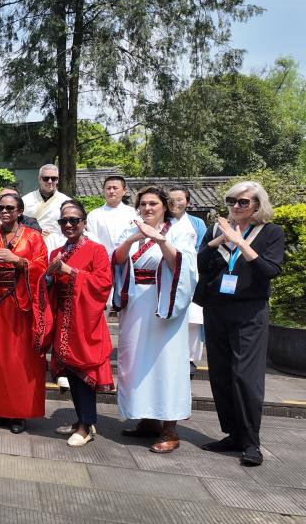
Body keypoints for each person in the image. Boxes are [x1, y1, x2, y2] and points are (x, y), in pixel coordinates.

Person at [198, 181, 284, 467]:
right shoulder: (216, 229)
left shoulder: (271, 232)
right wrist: (217, 242)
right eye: (231, 200)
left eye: (243, 202)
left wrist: (241, 243)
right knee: (220, 373)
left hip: (249, 311)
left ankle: (251, 441)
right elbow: (200, 264)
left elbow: (270, 270)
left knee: (245, 376)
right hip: (216, 308)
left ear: (257, 205)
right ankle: (233, 434)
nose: (235, 206)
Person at [112, 186, 198, 454]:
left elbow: (182, 266)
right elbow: (117, 260)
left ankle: (170, 428)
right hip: (136, 303)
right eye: (143, 204)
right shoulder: (132, 228)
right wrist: (132, 239)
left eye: (153, 204)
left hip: (165, 304)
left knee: (166, 364)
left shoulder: (180, 230)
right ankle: (147, 419)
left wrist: (160, 240)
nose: (147, 208)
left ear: (165, 206)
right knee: (136, 363)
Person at [34, 200, 115, 447]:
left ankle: (86, 425)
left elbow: (103, 284)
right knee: (70, 372)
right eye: (63, 221)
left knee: (84, 372)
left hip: (84, 321)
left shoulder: (96, 250)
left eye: (73, 220)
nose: (68, 225)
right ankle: (82, 420)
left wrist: (70, 271)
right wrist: (49, 275)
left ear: (84, 222)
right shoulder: (56, 253)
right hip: (63, 318)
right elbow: (47, 285)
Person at [0, 192, 48, 434]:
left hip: (21, 305)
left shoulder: (34, 237)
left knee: (19, 360)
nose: (5, 212)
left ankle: (18, 412)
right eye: (1, 208)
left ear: (20, 211)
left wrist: (17, 260)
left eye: (10, 208)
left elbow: (42, 268)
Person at [169, 186, 208, 367]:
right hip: (167, 274)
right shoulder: (163, 221)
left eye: (179, 199)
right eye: (171, 199)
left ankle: (190, 357)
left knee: (193, 318)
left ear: (188, 202)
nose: (175, 203)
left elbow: (202, 248)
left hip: (191, 274)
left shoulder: (196, 223)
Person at [22, 164, 71, 250]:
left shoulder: (67, 202)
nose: (50, 181)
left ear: (57, 180)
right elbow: (17, 223)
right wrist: (35, 230)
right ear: (39, 179)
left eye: (54, 178)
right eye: (46, 178)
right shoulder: (26, 200)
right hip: (30, 243)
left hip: (58, 245)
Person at [86, 176, 138, 256]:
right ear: (103, 191)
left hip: (130, 259)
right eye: (108, 188)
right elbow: (93, 240)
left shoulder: (134, 213)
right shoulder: (94, 215)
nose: (111, 191)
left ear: (124, 191)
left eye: (115, 188)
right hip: (103, 259)